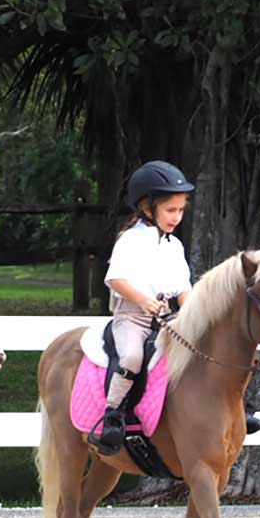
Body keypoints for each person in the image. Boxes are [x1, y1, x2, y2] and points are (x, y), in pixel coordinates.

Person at [87, 161, 196, 455]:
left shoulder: (174, 246)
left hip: (167, 315)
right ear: (148, 209)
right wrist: (144, 300)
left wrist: (195, 317)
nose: (177, 217)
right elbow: (115, 279)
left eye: (181, 210)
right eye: (171, 210)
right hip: (132, 316)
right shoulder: (131, 240)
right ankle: (112, 415)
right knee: (133, 355)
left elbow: (184, 287)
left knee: (202, 348)